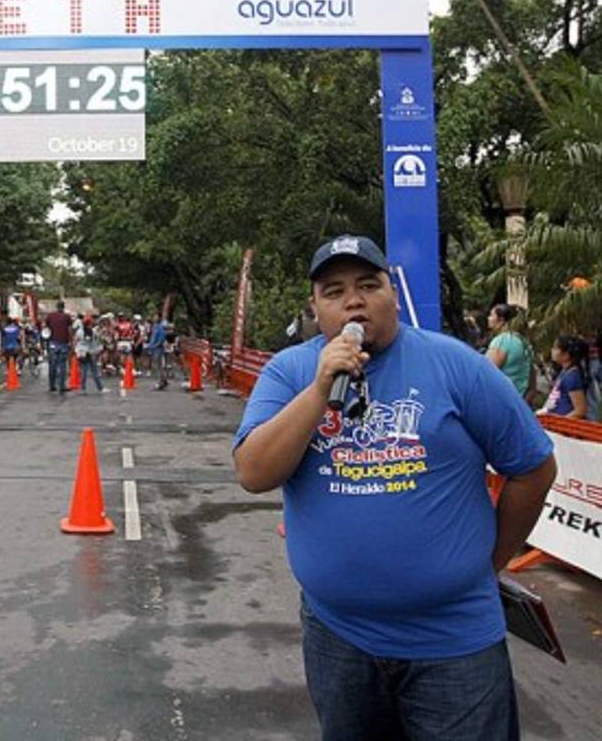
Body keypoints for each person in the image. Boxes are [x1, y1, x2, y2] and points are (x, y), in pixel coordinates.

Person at [232, 234, 556, 741]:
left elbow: (533, 468)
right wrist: (320, 390)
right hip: (338, 636)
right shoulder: (291, 371)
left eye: (368, 285)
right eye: (334, 291)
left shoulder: (457, 366)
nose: (353, 300)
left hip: (456, 641)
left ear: (393, 296)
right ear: (315, 308)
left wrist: (488, 561)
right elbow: (254, 472)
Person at [485, 303, 534, 403]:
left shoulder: (502, 341)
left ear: (501, 320)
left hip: (501, 401)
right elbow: (532, 383)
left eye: (491, 315)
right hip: (519, 401)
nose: (488, 318)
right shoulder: (524, 342)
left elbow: (485, 373)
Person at [540, 334, 589, 419]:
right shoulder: (565, 371)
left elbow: (580, 410)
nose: (552, 350)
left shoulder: (572, 377)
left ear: (566, 355)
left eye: (555, 348)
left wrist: (561, 423)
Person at [45, 301, 72, 396]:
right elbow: (69, 330)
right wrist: (71, 343)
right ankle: (62, 386)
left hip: (52, 342)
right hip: (63, 343)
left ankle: (52, 385)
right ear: (63, 307)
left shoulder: (50, 316)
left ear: (56, 307)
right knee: (62, 365)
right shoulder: (67, 317)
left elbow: (46, 329)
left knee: (52, 365)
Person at [74, 315, 104, 393]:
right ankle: (100, 387)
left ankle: (82, 388)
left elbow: (75, 341)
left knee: (83, 371)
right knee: (94, 371)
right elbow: (95, 343)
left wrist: (76, 350)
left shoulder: (79, 331)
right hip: (89, 353)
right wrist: (98, 350)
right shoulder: (93, 332)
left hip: (81, 353)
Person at [147, 315, 169, 389]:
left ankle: (161, 382)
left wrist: (155, 346)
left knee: (158, 366)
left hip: (158, 349)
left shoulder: (160, 328)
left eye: (155, 317)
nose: (154, 318)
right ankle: (164, 380)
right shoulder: (154, 327)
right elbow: (152, 338)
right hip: (154, 348)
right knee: (157, 365)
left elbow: (161, 339)